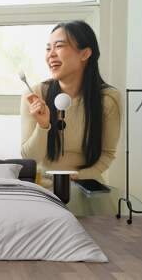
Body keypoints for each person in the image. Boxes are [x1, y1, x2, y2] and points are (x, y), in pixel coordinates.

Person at [21, 20, 121, 215]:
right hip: (44, 192)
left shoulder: (108, 99)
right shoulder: (35, 94)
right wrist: (43, 126)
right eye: (48, 48)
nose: (50, 54)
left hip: (88, 188)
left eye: (59, 46)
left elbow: (107, 155)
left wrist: (77, 176)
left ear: (85, 53)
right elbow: (29, 158)